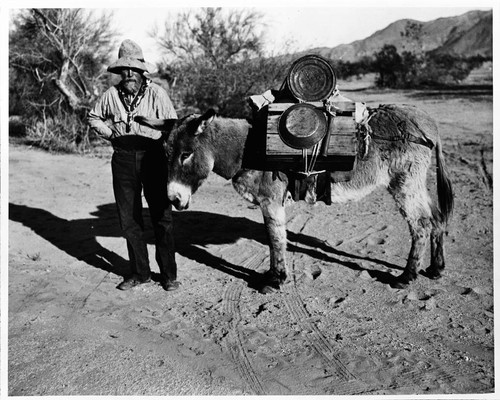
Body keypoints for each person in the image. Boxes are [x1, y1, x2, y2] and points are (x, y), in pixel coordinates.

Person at [88, 39, 180, 291]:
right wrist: (110, 133)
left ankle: (169, 275)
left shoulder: (157, 93)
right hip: (123, 158)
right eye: (123, 70)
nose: (128, 74)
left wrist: (155, 128)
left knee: (162, 216)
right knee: (129, 219)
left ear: (141, 70)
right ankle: (140, 272)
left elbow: (173, 124)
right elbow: (93, 116)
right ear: (119, 72)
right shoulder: (111, 95)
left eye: (133, 69)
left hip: (153, 157)